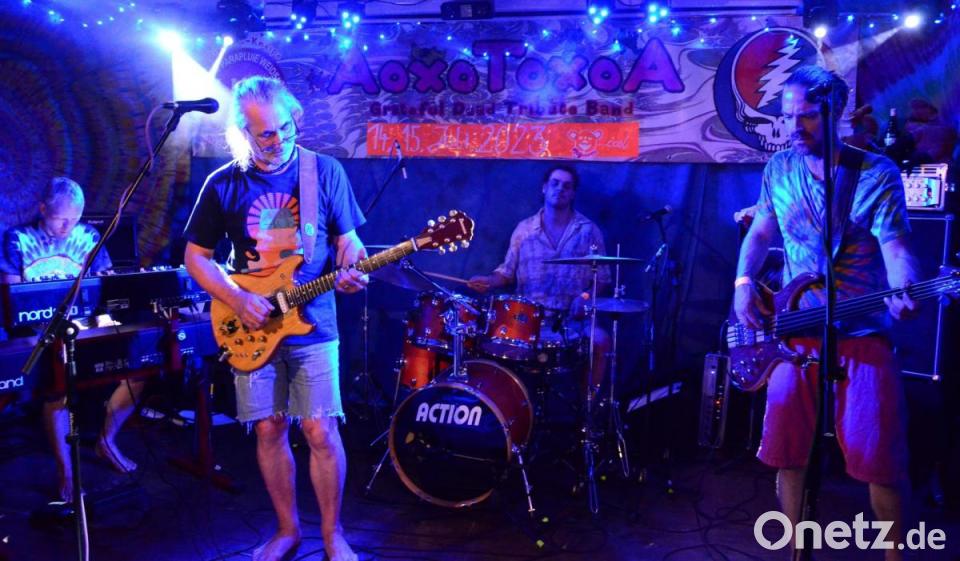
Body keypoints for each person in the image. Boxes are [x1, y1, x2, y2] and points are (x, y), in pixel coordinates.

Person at [734, 65, 921, 560]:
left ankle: (894, 555)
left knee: (879, 456)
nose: (794, 127)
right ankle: (798, 551)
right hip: (793, 331)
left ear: (835, 111)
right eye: (788, 116)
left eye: (808, 116)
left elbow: (896, 245)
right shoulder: (779, 168)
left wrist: (903, 286)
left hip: (860, 331)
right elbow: (761, 232)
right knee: (787, 450)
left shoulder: (875, 173)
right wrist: (743, 284)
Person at [183, 76, 365, 561]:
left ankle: (333, 535)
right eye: (266, 134)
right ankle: (288, 530)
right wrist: (236, 298)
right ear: (243, 133)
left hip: (314, 322)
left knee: (320, 430)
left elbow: (348, 241)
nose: (280, 139)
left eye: (286, 127)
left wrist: (353, 267)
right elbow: (196, 257)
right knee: (268, 428)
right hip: (251, 324)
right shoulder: (223, 183)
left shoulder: (323, 171)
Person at [1, 176, 144, 502]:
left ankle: (107, 440)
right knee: (59, 382)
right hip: (40, 332)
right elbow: (12, 299)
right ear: (42, 209)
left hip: (84, 326)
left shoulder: (89, 236)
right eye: (60, 219)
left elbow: (106, 284)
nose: (68, 227)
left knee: (141, 362)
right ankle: (66, 473)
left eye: (74, 219)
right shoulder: (17, 240)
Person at [467, 165, 611, 391]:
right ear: (544, 188)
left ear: (573, 193)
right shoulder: (524, 230)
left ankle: (588, 406)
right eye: (555, 183)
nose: (560, 189)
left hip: (573, 319)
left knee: (601, 341)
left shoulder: (588, 230)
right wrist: (488, 281)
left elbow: (602, 278)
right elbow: (506, 273)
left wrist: (585, 297)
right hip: (527, 320)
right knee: (493, 341)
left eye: (567, 186)